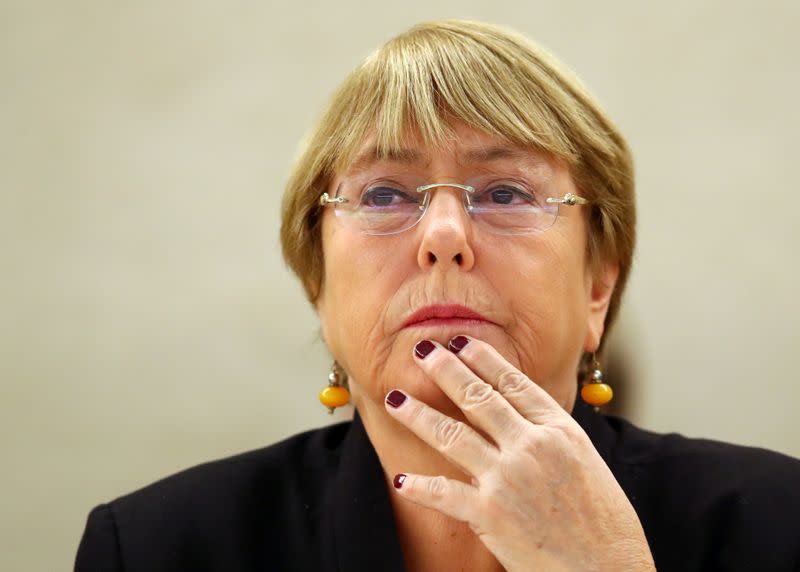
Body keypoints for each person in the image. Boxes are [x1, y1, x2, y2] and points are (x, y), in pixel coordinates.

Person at [75, 19, 800, 571]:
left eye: (507, 191)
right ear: (317, 286)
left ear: (598, 287)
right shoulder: (157, 548)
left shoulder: (776, 524)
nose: (445, 235)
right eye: (385, 193)